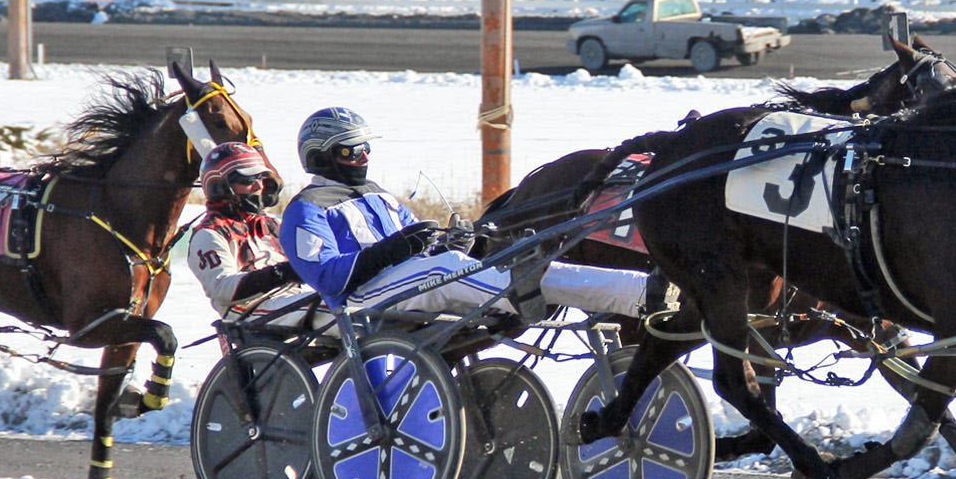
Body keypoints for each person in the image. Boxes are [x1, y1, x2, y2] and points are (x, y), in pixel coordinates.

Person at [279, 107, 672, 320]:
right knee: (447, 269)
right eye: (352, 150)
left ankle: (637, 292)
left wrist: (450, 239)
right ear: (321, 156)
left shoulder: (380, 196)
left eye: (366, 148)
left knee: (500, 262)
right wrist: (398, 248)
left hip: (408, 282)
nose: (363, 157)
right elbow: (327, 278)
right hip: (361, 300)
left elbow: (417, 243)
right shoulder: (306, 210)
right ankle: (517, 294)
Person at [187, 141, 325, 328]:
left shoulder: (271, 224)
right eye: (248, 180)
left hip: (290, 301)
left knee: (357, 299)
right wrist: (281, 273)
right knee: (335, 308)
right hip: (247, 312)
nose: (259, 186)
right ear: (219, 186)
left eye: (260, 177)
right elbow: (222, 289)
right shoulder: (208, 234)